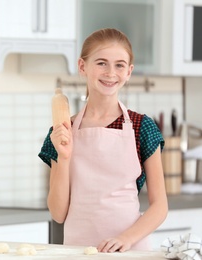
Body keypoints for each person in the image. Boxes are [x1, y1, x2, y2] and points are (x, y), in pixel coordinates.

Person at [38, 28, 168, 253]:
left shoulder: (142, 127)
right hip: (78, 251)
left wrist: (126, 239)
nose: (110, 72)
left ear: (129, 72)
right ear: (82, 67)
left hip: (130, 251)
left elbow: (160, 207)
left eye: (119, 65)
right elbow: (58, 213)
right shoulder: (62, 131)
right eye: (101, 63)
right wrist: (64, 156)